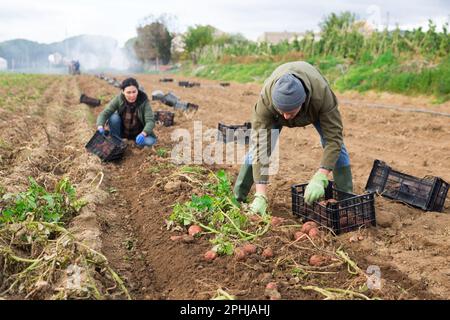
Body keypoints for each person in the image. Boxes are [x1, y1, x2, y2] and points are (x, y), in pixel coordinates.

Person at [233, 61, 353, 215]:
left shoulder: (322, 95)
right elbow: (260, 147)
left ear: (302, 102)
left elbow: (334, 139)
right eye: (282, 111)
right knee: (257, 149)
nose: (286, 116)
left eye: (290, 112)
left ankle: (346, 200)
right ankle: (239, 198)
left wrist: (321, 176)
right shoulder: (266, 102)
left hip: (314, 109)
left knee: (338, 147)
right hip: (272, 113)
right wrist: (261, 193)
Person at [96, 77, 157, 147]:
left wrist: (143, 134)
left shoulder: (143, 101)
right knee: (113, 117)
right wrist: (100, 126)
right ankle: (117, 140)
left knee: (150, 142)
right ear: (123, 91)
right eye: (128, 92)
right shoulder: (119, 99)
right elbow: (105, 113)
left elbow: (150, 121)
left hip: (139, 134)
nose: (132, 95)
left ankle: (134, 143)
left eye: (134, 92)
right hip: (123, 133)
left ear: (138, 90)